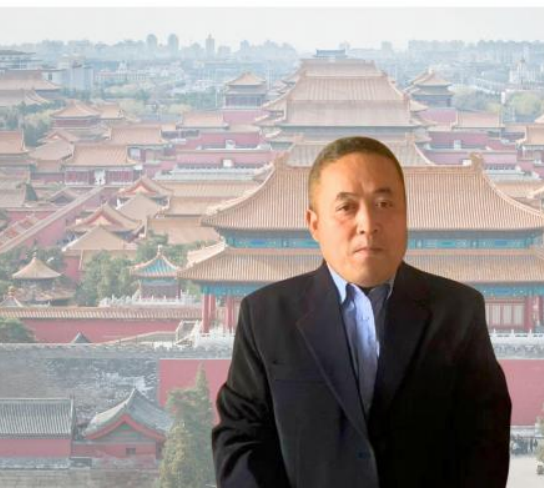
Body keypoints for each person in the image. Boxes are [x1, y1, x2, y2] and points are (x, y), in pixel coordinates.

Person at [212, 136, 512, 488]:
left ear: (405, 216)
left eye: (384, 203)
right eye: (346, 207)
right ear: (314, 224)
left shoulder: (458, 312)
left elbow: (485, 440)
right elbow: (241, 440)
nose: (368, 223)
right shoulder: (265, 316)